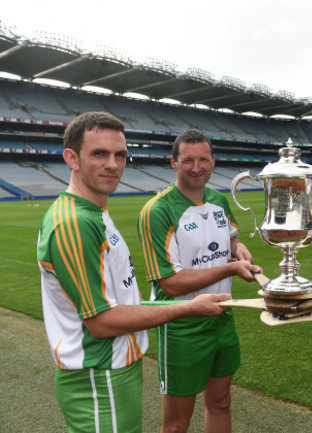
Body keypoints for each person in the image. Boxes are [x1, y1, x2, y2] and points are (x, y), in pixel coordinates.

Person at [37, 112, 232, 433]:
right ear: (72, 158)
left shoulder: (94, 213)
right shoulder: (74, 222)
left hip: (115, 369)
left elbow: (123, 303)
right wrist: (189, 307)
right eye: (99, 154)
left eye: (120, 155)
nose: (113, 164)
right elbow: (100, 322)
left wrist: (193, 305)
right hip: (98, 373)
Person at [137, 128, 260, 433]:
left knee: (220, 402)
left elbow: (229, 240)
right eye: (188, 160)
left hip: (222, 316)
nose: (196, 167)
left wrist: (238, 249)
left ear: (213, 161)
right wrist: (230, 269)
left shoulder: (218, 199)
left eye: (203, 160)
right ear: (173, 163)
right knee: (177, 423)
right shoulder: (157, 211)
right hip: (182, 325)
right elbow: (170, 284)